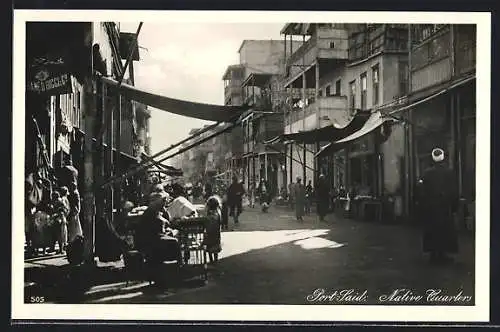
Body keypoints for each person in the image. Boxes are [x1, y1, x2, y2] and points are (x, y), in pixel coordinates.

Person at [417, 148, 459, 264]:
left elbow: (421, 191)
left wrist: (423, 205)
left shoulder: (426, 173)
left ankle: (433, 254)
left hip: (431, 208)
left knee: (432, 230)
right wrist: (454, 207)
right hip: (445, 207)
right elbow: (454, 191)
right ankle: (442, 253)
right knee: (444, 230)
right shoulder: (449, 173)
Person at [204, 195, 222, 264]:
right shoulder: (218, 213)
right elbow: (220, 222)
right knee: (215, 246)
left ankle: (211, 260)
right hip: (216, 233)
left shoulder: (209, 213)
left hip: (209, 233)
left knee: (209, 246)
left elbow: (206, 222)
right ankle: (215, 260)